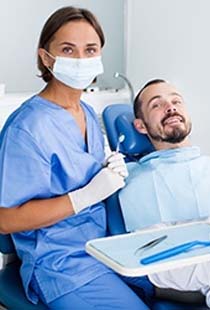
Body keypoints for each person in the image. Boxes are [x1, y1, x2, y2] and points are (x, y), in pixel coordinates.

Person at [0, 6, 150, 310]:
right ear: (46, 57)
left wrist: (108, 170)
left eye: (90, 49)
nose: (81, 60)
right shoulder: (28, 127)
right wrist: (85, 196)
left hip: (103, 250)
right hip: (62, 265)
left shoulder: (88, 113)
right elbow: (6, 220)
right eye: (68, 50)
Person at [119, 78, 210, 309]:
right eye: (156, 104)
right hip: (167, 260)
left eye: (176, 101)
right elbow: (148, 243)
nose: (170, 107)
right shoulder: (130, 177)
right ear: (141, 126)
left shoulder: (209, 165)